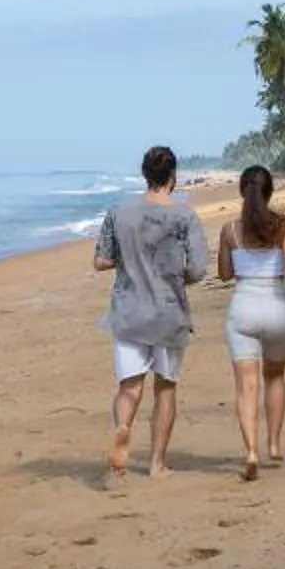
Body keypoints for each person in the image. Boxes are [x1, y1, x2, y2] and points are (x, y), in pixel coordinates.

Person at [93, 145, 210, 479]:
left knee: (129, 387)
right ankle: (158, 463)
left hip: (129, 312)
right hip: (168, 312)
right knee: (166, 387)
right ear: (172, 176)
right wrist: (175, 276)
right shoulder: (184, 216)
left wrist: (128, 261)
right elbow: (200, 269)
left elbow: (100, 260)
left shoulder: (119, 212)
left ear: (144, 175)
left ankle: (123, 427)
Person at [215, 165, 285, 481]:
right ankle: (273, 443)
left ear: (241, 192)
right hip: (277, 309)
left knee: (247, 387)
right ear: (270, 191)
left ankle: (251, 452)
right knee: (275, 377)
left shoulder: (230, 230)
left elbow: (225, 275)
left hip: (243, 308)